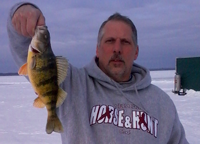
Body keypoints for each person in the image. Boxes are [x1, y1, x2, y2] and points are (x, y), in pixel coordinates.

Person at [7, 2, 189, 144]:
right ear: (97, 49)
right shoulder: (73, 86)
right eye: (110, 41)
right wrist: (23, 12)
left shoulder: (162, 104)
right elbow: (31, 58)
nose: (117, 49)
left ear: (136, 51)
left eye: (125, 42)